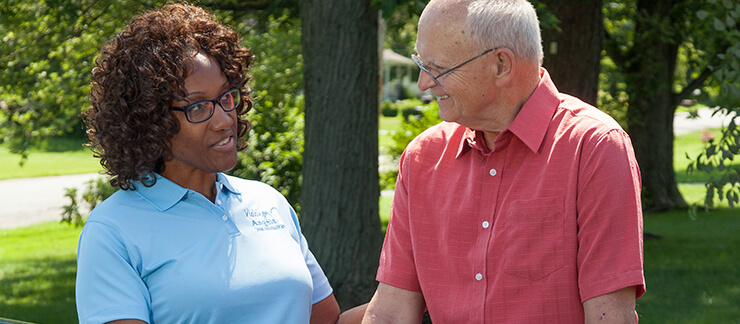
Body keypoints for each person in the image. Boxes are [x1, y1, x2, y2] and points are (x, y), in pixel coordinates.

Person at [76, 4, 363, 323]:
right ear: (149, 121)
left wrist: (409, 286)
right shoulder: (112, 230)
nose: (225, 119)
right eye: (197, 107)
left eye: (227, 97)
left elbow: (326, 321)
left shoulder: (268, 203)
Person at [363, 0, 645, 323]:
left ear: (501, 65)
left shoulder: (594, 148)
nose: (423, 83)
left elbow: (610, 318)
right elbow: (390, 313)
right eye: (421, 65)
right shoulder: (422, 159)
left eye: (437, 69)